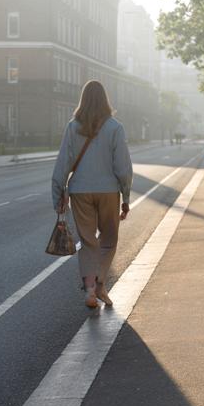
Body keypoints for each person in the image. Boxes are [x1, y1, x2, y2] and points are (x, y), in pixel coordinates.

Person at [51, 80, 133, 310]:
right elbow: (123, 168)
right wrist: (125, 198)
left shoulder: (72, 127)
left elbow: (62, 164)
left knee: (88, 242)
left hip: (80, 191)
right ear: (105, 100)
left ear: (83, 100)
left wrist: (58, 193)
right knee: (109, 240)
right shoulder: (115, 127)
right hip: (108, 191)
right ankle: (99, 281)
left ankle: (90, 290)